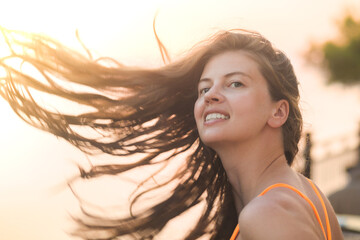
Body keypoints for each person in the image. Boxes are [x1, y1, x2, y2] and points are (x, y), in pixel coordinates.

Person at [0, 26, 343, 240]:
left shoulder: (267, 213)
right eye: (204, 88)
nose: (210, 95)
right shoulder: (303, 193)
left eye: (235, 83)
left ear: (278, 111)